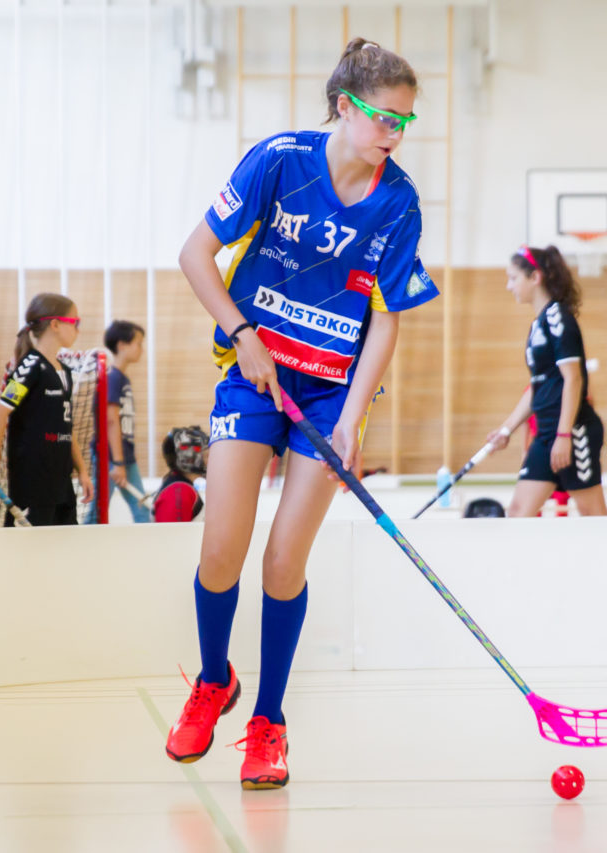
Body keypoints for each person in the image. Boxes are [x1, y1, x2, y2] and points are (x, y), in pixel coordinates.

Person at [164, 39, 437, 790]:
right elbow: (195, 254)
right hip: (254, 379)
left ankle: (269, 721)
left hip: (327, 397)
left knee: (285, 561)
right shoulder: (278, 161)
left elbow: (386, 319)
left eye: (407, 121)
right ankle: (215, 680)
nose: (396, 132)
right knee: (223, 546)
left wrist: (352, 421)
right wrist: (242, 333)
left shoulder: (399, 202)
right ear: (346, 107)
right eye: (386, 116)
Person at [484, 245, 607, 517]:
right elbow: (537, 387)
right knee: (518, 511)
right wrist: (506, 430)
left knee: (594, 516)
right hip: (547, 433)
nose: (509, 286)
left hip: (574, 431)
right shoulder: (538, 325)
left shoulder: (558, 319)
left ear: (535, 277)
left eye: (513, 278)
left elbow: (573, 379)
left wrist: (564, 435)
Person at [0, 293, 94, 525]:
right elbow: (1, 411)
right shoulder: (29, 367)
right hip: (33, 483)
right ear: (55, 324)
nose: (78, 330)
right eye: (75, 322)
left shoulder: (66, 372)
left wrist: (82, 471)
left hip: (61, 481)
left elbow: (65, 427)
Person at [99, 320, 151, 523]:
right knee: (97, 515)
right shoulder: (113, 377)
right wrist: (118, 462)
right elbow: (111, 420)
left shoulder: (122, 378)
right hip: (111, 459)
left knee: (142, 511)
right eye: (138, 343)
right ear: (121, 345)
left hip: (125, 458)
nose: (141, 349)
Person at [153, 425, 208, 523]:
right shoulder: (179, 491)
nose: (212, 460)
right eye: (207, 455)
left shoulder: (181, 487)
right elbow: (172, 536)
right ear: (191, 458)